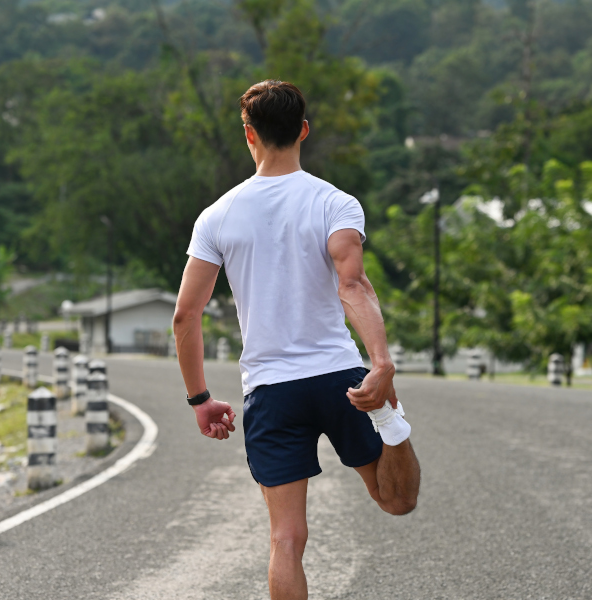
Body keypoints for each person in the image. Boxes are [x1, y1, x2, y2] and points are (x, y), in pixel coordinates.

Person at [173, 79, 421, 600]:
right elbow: (353, 284)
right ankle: (393, 425)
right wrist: (381, 363)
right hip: (340, 378)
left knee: (285, 539)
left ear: (249, 134)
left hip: (272, 390)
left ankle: (390, 422)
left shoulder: (217, 215)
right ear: (303, 131)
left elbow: (185, 316)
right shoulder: (335, 203)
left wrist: (200, 399)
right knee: (396, 500)